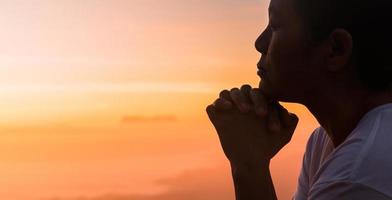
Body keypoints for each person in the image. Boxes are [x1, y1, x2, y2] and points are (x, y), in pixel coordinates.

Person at [206, 0, 392, 199]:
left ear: (336, 49)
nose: (260, 43)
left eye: (275, 26)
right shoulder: (323, 142)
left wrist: (248, 165)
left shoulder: (357, 175)